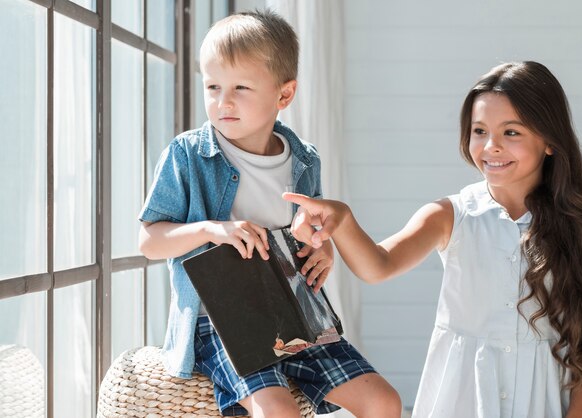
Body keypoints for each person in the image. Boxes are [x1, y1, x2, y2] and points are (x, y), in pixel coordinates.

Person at [284, 61, 582, 418]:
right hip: (462, 401)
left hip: (543, 404)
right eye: (479, 130)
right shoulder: (450, 215)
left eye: (511, 133)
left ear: (550, 141)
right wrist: (344, 220)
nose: (491, 147)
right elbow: (378, 265)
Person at [138, 9, 401, 418]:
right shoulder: (187, 155)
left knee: (384, 402)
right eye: (212, 86)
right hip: (221, 321)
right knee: (278, 411)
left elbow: (314, 229)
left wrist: (323, 248)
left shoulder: (304, 160)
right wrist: (212, 229)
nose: (222, 102)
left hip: (296, 315)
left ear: (284, 94)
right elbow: (150, 241)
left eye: (241, 87)